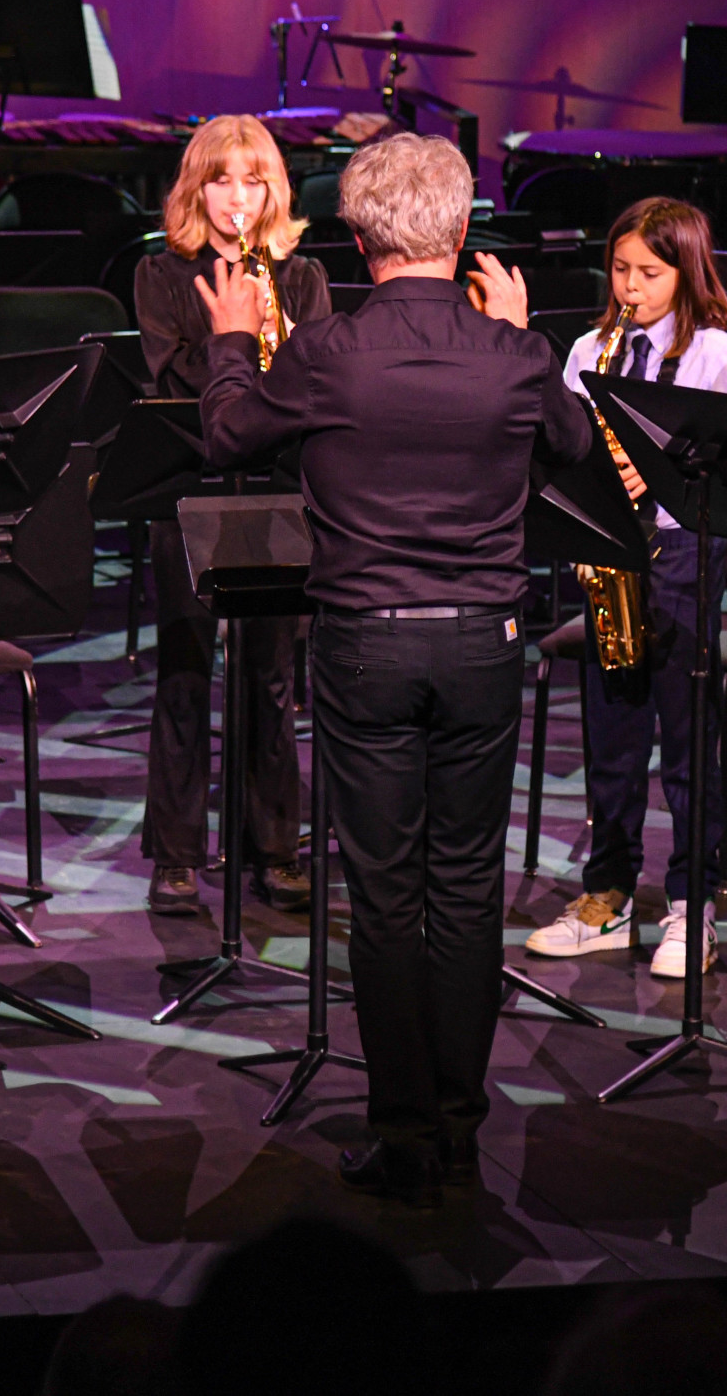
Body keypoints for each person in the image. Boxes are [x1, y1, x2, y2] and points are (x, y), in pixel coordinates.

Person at [196, 131, 589, 1206]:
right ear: (460, 231)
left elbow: (227, 437)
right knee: (465, 888)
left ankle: (407, 1132)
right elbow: (575, 447)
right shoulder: (512, 353)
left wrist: (229, 341)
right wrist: (523, 335)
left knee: (382, 895)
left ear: (358, 237)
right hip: (483, 645)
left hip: (365, 641)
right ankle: (457, 1128)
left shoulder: (323, 351)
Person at [522, 197, 727, 978]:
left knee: (689, 743)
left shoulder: (717, 354)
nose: (630, 287)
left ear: (687, 273)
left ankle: (693, 904)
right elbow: (561, 452)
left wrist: (659, 471)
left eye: (650, 273)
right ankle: (610, 892)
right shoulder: (590, 348)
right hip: (608, 557)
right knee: (614, 740)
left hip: (682, 552)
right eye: (621, 270)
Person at [130, 115, 331, 916]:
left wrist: (270, 339)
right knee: (184, 671)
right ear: (196, 189)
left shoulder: (303, 277)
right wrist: (237, 340)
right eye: (220, 180)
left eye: (252, 180)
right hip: (192, 488)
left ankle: (275, 845)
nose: (236, 197)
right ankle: (177, 854)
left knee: (271, 674)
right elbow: (171, 374)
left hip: (278, 489)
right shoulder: (161, 274)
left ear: (274, 190)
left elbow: (315, 381)